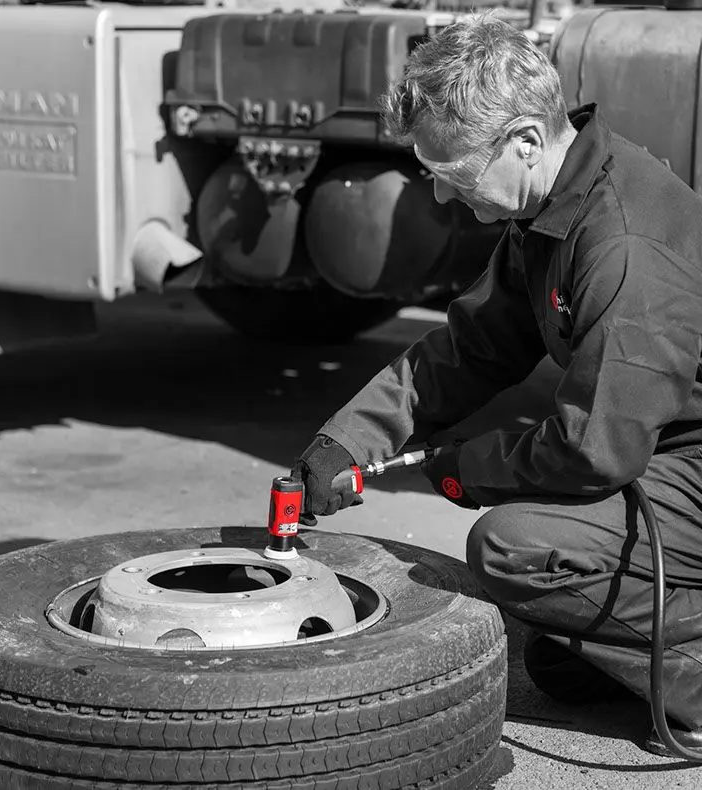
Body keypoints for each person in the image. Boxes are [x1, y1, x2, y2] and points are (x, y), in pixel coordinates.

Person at [291, 13, 702, 755]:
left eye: (454, 178)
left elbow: (596, 452)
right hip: (665, 452)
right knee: (558, 654)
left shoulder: (622, 247)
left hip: (691, 469)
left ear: (525, 142)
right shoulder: (552, 206)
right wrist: (346, 441)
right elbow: (471, 347)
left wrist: (465, 470)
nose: (446, 201)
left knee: (516, 550)